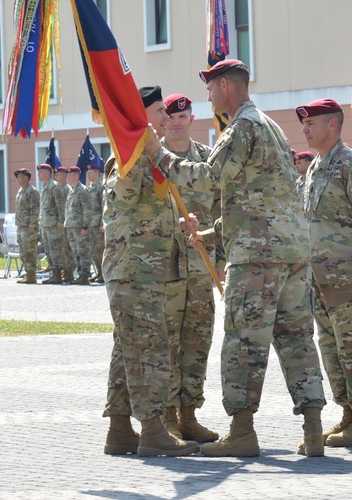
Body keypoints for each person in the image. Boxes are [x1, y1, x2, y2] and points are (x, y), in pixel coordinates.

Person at [148, 60, 327, 458]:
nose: (208, 96)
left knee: (245, 341)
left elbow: (210, 178)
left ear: (226, 85)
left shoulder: (242, 126)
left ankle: (242, 431)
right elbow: (258, 194)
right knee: (297, 339)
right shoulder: (270, 126)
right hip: (291, 252)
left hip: (259, 256)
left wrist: (158, 156)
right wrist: (215, 234)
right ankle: (313, 430)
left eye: (211, 88)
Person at [101, 85, 199, 458]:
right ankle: (153, 429)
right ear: (138, 117)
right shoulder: (129, 157)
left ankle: (120, 427)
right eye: (158, 111)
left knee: (127, 349)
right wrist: (136, 150)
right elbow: (126, 198)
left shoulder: (149, 156)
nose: (164, 117)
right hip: (133, 272)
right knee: (148, 350)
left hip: (146, 270)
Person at [298, 98, 352, 448]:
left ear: (332, 125)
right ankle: (349, 412)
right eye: (304, 124)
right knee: (332, 350)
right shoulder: (317, 168)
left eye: (311, 124)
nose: (305, 130)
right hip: (321, 282)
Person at [160, 92, 221, 443]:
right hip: (166, 265)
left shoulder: (206, 160)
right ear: (164, 121)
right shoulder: (155, 161)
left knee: (198, 340)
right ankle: (166, 417)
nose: (178, 122)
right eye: (172, 116)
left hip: (201, 265)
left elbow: (221, 208)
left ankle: (190, 415)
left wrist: (222, 261)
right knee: (167, 341)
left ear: (191, 119)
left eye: (184, 116)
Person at [64, 166, 94, 284]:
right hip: (71, 227)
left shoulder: (82, 190)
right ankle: (80, 274)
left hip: (80, 227)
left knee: (83, 251)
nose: (68, 177)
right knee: (76, 252)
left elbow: (87, 210)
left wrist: (85, 227)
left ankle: (85, 275)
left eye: (70, 175)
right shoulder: (71, 191)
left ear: (76, 175)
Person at [40, 164, 69, 284]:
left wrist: (61, 222)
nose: (38, 174)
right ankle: (53, 273)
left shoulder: (54, 187)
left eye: (41, 172)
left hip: (54, 225)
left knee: (56, 250)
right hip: (46, 224)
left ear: (47, 173)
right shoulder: (45, 186)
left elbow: (61, 206)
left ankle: (58, 274)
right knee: (48, 250)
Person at [13, 167, 40, 284]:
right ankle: (28, 273)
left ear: (26, 178)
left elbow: (35, 209)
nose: (18, 179)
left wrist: (32, 225)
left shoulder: (32, 191)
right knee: (23, 251)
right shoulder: (21, 191)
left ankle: (32, 275)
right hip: (21, 226)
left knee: (30, 251)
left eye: (19, 176)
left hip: (28, 227)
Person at [86, 164, 106, 284]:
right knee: (93, 250)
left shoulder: (101, 186)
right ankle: (99, 272)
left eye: (91, 172)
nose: (89, 174)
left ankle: (104, 273)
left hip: (98, 223)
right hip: (91, 223)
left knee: (100, 249)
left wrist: (102, 223)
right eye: (88, 173)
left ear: (98, 173)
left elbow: (104, 205)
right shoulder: (91, 187)